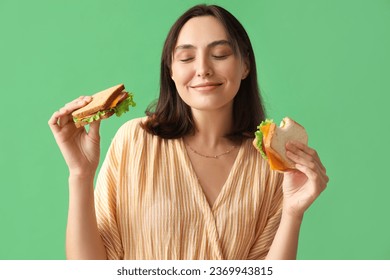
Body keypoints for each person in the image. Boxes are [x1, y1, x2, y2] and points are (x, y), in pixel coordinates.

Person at [48, 4, 328, 260]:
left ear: (245, 65)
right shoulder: (134, 141)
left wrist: (293, 213)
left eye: (219, 54)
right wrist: (80, 174)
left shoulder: (271, 165)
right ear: (170, 70)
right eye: (186, 58)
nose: (203, 69)